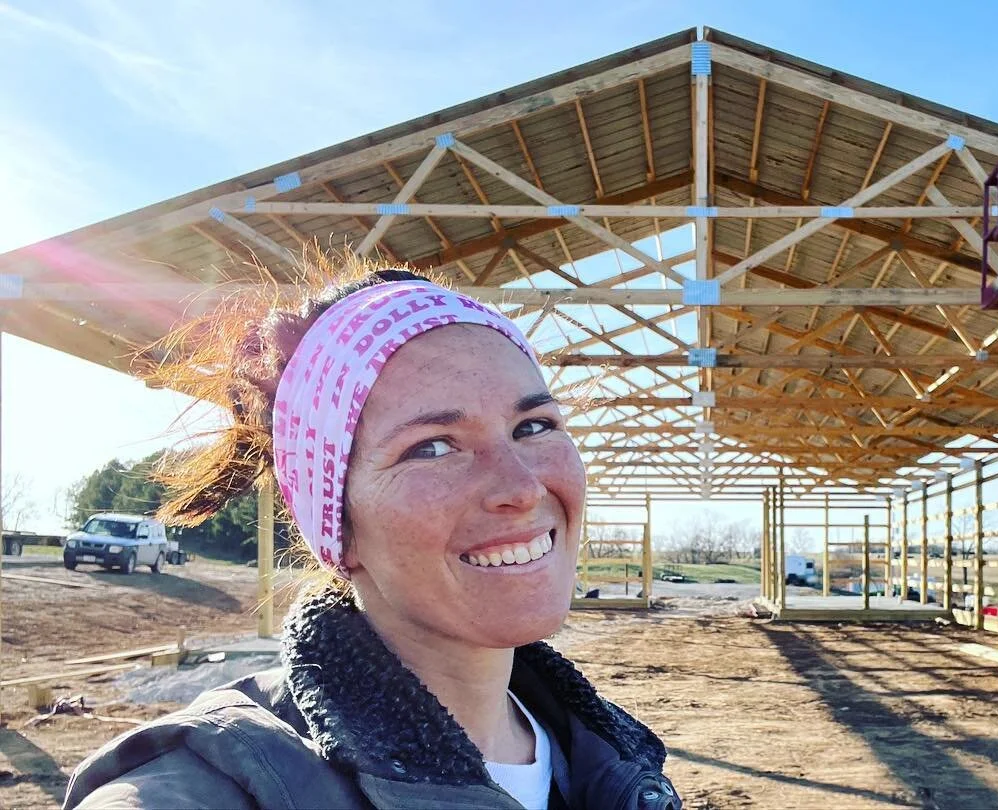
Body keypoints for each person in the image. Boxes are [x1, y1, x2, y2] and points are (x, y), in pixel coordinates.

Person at [63, 259, 681, 810]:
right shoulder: (212, 786)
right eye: (432, 447)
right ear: (336, 523)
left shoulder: (604, 752)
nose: (521, 487)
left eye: (533, 426)